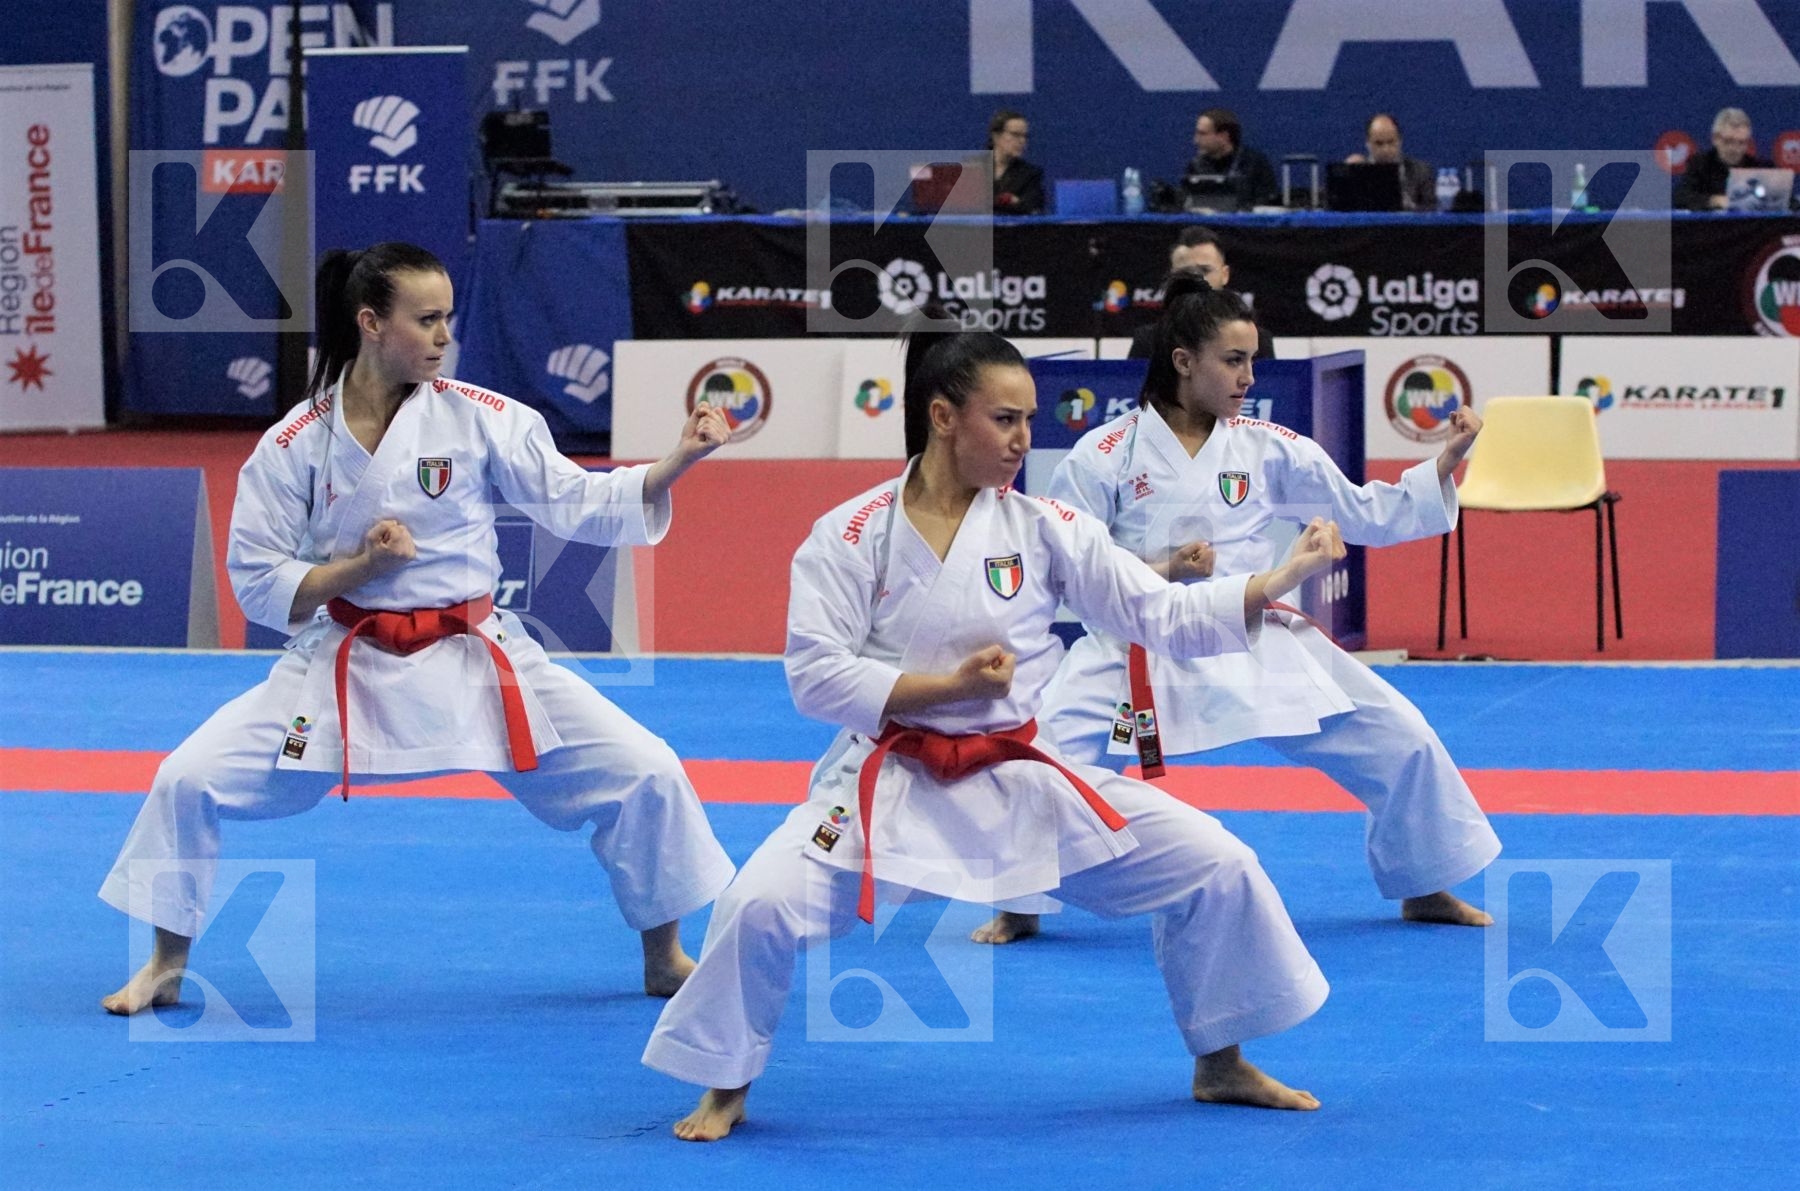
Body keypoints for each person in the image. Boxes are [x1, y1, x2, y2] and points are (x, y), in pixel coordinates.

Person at [642, 319, 1350, 1142]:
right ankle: (726, 1079)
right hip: (891, 778)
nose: (1025, 439)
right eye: (1005, 418)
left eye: (1029, 420)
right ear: (944, 417)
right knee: (758, 903)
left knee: (1218, 863)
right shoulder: (849, 532)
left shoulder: (1046, 526)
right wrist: (945, 686)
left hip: (1021, 772)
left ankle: (1220, 1059)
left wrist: (1275, 580)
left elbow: (1160, 611)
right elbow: (815, 675)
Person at [98, 242, 737, 1014]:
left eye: (448, 320)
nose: (443, 337)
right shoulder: (296, 442)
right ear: (371, 323)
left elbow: (576, 500)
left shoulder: (484, 417)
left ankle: (663, 955)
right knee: (187, 777)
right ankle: (168, 961)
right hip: (345, 664)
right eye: (426, 320)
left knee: (648, 768)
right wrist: (358, 570)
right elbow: (260, 582)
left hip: (477, 660)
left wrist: (678, 461)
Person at [972, 271, 1501, 947]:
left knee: (1400, 733)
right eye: (1233, 359)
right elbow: (1072, 566)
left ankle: (1424, 881)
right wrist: (1163, 569)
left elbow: (1365, 511)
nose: (1249, 375)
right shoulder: (1102, 454)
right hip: (1140, 639)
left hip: (1248, 630)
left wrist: (1446, 459)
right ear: (1184, 362)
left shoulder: (1264, 444)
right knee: (1045, 756)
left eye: (1252, 359)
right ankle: (1020, 902)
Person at [1128, 227, 1274, 361]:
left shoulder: (1257, 340)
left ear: (1225, 275)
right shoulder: (1148, 341)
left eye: (1205, 271)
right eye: (1184, 273)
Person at [1674, 108, 1772, 211]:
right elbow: (1680, 198)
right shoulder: (1699, 164)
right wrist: (1714, 201)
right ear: (1715, 139)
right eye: (1729, 141)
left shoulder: (1759, 167)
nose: (1735, 149)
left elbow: (1786, 203)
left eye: (1741, 143)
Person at [1186, 108, 1278, 208]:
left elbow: (1266, 205)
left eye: (1202, 134)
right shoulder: (1196, 166)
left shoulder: (1255, 164)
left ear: (1224, 136)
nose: (1195, 140)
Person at [1345, 113, 1435, 211]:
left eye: (1391, 142)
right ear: (1368, 144)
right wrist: (1346, 176)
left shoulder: (1421, 172)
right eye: (1379, 143)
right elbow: (1331, 207)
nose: (1386, 149)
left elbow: (1432, 210)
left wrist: (1409, 207)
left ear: (1400, 141)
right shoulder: (1357, 172)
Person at [989, 109, 1045, 215]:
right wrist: (1010, 201)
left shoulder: (1030, 174)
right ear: (996, 137)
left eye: (1025, 136)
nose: (1022, 141)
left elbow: (1033, 207)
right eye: (1015, 135)